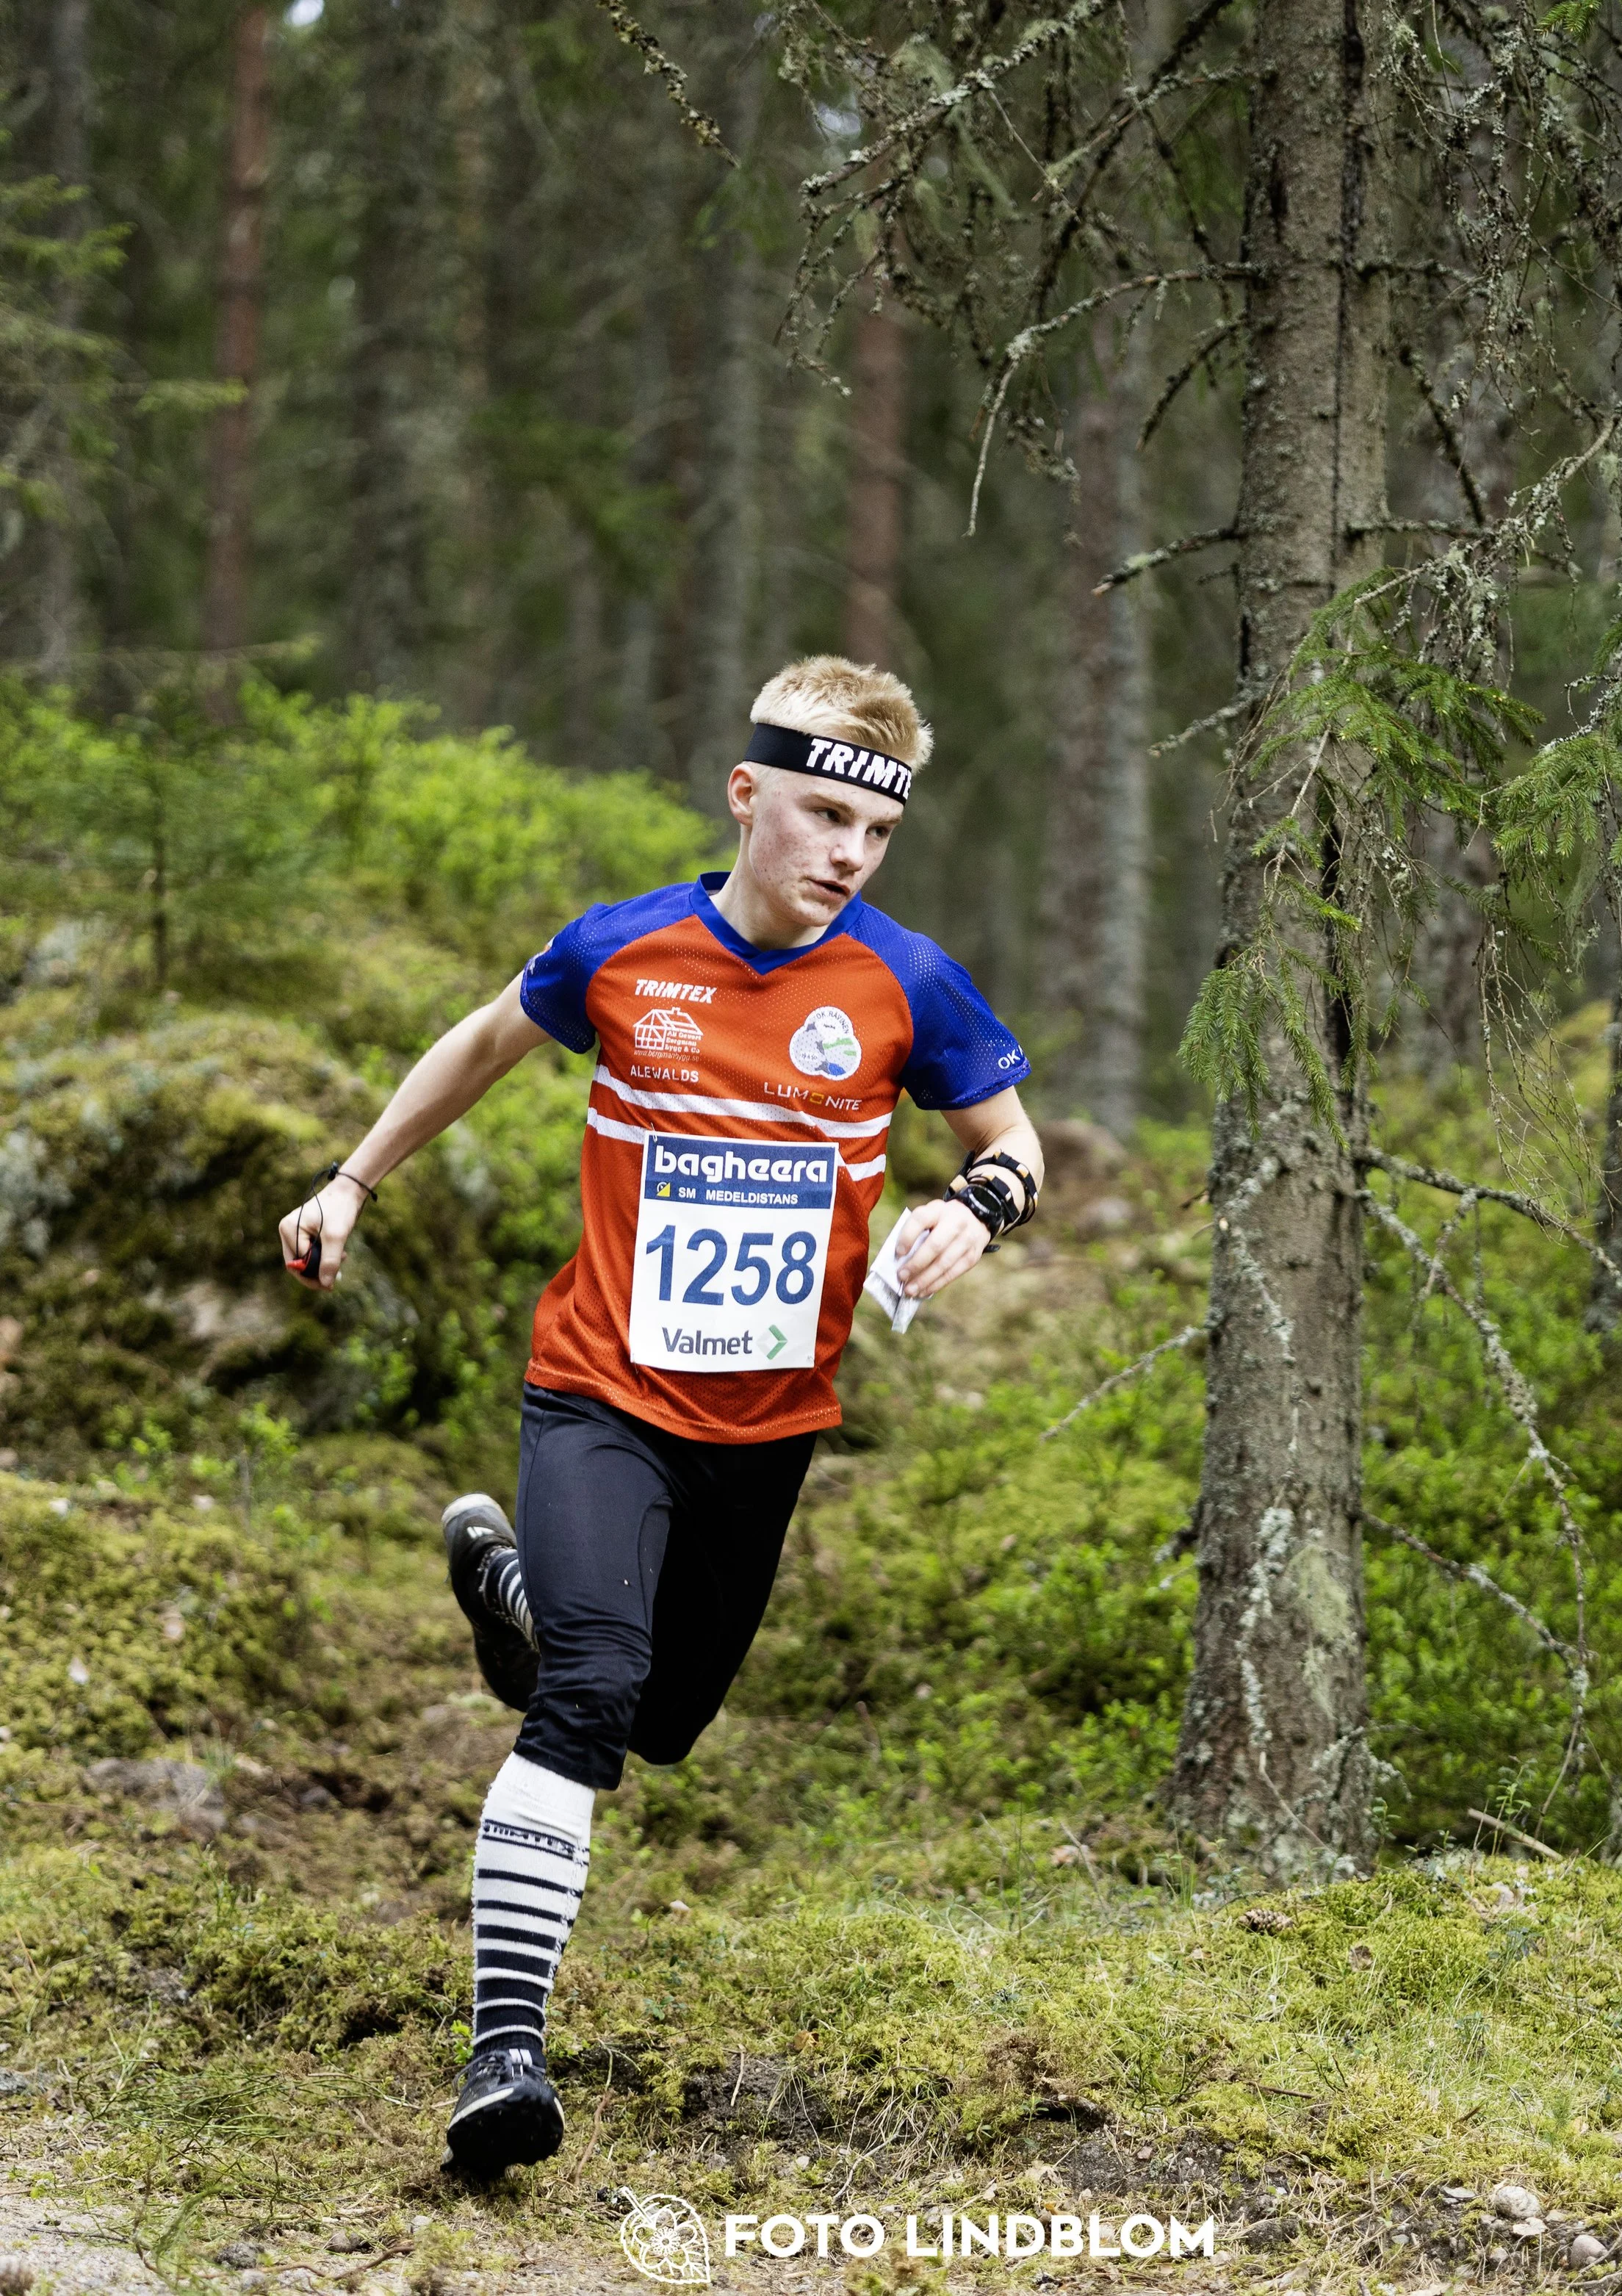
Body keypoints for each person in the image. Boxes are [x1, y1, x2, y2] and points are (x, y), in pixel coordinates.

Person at [275, 657, 1042, 2181]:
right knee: (590, 1697)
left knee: (663, 1715)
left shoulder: (903, 980)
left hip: (765, 1425)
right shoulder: (623, 951)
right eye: (822, 815)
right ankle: (505, 2053)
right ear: (746, 793)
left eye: (875, 835)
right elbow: (487, 1040)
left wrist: (976, 1206)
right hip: (598, 1391)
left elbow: (1009, 1137)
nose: (845, 855)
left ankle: (513, 1599)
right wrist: (352, 1179)